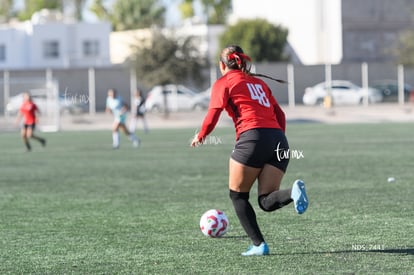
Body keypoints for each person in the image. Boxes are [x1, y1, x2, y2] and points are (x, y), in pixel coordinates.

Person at [191, 45, 309, 256]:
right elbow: (279, 115)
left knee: (238, 196)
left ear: (222, 65)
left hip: (252, 138)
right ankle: (292, 192)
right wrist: (274, 139)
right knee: (266, 200)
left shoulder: (223, 82)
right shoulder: (258, 83)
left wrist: (201, 136)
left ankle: (259, 245)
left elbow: (212, 114)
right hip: (279, 140)